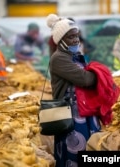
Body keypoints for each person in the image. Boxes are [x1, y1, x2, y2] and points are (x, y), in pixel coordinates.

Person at [46, 14, 108, 167]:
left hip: (84, 111)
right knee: (74, 151)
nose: (76, 40)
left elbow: (87, 78)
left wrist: (95, 75)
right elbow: (85, 79)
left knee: (89, 145)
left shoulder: (74, 55)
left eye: (77, 36)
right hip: (71, 115)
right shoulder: (59, 58)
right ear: (61, 40)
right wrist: (101, 75)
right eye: (71, 37)